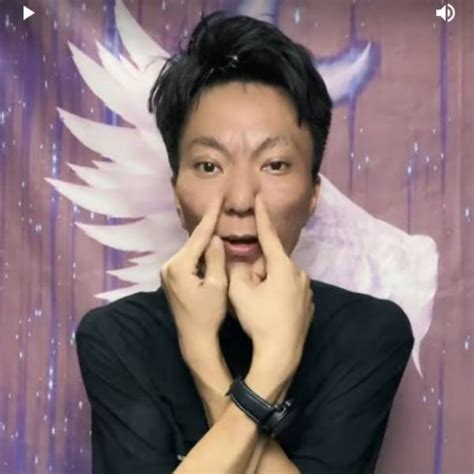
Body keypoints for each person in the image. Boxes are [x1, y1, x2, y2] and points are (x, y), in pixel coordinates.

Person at [76, 10, 415, 474]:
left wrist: (213, 360)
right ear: (177, 195)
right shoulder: (116, 337)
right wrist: (258, 372)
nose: (239, 200)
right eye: (209, 166)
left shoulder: (369, 333)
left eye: (274, 165)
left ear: (313, 196)